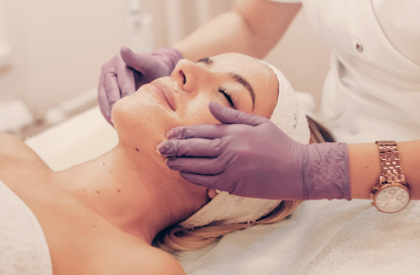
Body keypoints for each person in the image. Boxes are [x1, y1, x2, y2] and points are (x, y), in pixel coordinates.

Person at [1, 53, 336, 274]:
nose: (183, 67)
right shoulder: (8, 149)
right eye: (204, 61)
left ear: (231, 179)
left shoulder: (139, 267)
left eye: (227, 96)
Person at [98, 0, 420, 210]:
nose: (183, 66)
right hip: (340, 125)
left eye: (227, 97)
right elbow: (252, 23)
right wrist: (166, 56)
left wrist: (319, 169)